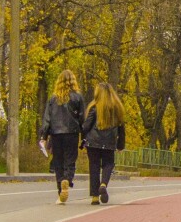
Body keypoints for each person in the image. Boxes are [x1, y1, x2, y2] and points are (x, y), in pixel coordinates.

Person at [38, 69, 86, 203]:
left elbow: (47, 119)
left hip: (56, 133)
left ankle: (60, 190)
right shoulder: (78, 97)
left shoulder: (53, 99)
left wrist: (44, 136)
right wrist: (84, 136)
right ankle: (67, 179)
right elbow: (82, 118)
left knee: (58, 161)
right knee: (70, 160)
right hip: (72, 133)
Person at [81, 82, 127, 205]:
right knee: (108, 164)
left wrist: (83, 138)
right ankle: (103, 184)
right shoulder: (117, 109)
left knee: (94, 167)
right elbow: (121, 129)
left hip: (93, 142)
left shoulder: (94, 108)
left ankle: (95, 197)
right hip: (109, 142)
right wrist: (120, 145)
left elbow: (86, 127)